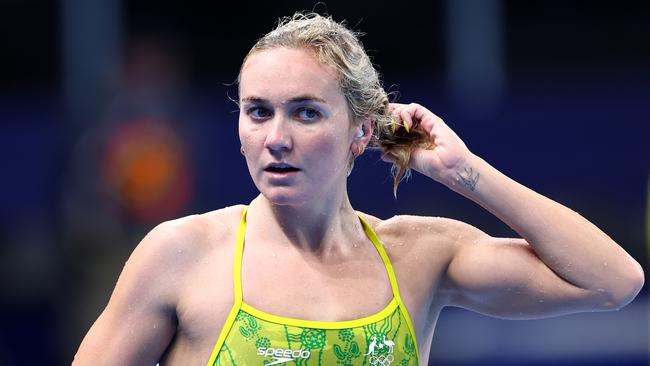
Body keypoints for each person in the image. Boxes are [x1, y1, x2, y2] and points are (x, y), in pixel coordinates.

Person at [73, 12, 644, 366]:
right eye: (257, 112)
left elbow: (614, 280)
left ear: (361, 132)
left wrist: (464, 172)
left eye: (305, 113)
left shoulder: (419, 256)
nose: (276, 138)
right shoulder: (183, 255)